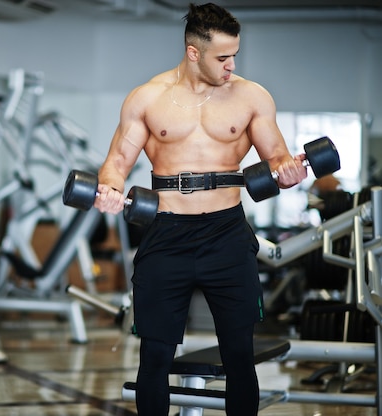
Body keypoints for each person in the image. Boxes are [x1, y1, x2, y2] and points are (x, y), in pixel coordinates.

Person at [92, 3, 308, 415]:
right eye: (222, 57)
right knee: (154, 355)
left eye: (235, 56)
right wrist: (109, 190)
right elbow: (116, 165)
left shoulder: (251, 96)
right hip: (166, 232)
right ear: (194, 52)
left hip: (227, 234)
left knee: (239, 354)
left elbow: (277, 156)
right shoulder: (149, 97)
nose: (231, 65)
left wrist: (287, 171)